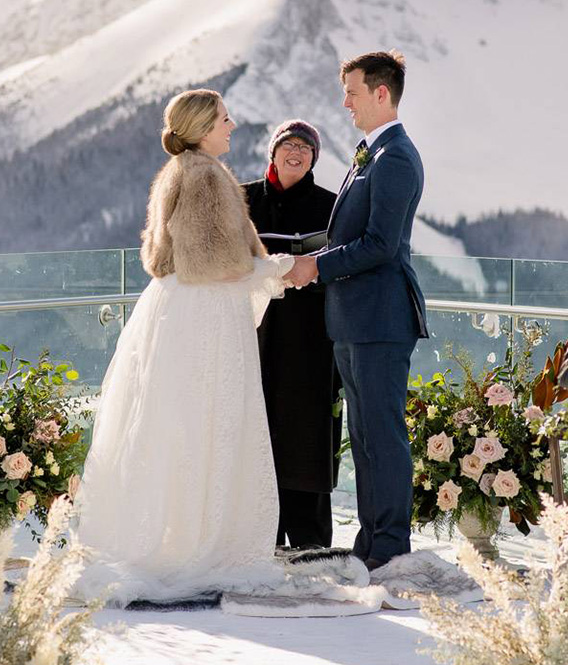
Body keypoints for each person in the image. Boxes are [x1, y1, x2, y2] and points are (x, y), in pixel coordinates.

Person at [75, 89, 294, 606]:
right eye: (223, 118)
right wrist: (280, 267)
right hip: (203, 317)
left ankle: (186, 532)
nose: (233, 124)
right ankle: (199, 543)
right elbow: (209, 261)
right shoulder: (201, 175)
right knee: (204, 421)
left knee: (176, 423)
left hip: (185, 311)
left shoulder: (185, 170)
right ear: (199, 127)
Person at [287, 51, 428, 571]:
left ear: (381, 93)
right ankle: (370, 542)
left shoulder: (396, 157)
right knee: (364, 436)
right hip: (354, 320)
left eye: (351, 91)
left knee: (383, 436)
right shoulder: (371, 152)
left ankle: (389, 546)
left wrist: (314, 268)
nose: (343, 101)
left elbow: (380, 246)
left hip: (381, 320)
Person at [244, 120, 341, 549]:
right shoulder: (242, 199)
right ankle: (257, 535)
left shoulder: (331, 205)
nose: (297, 152)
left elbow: (343, 262)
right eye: (289, 145)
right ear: (274, 152)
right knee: (255, 424)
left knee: (308, 432)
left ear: (314, 158)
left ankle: (309, 542)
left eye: (306, 147)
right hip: (254, 332)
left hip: (312, 336)